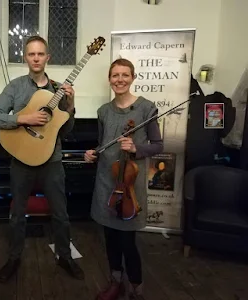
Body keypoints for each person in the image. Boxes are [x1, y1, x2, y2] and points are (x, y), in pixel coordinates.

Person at [0, 35, 84, 283]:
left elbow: (67, 129)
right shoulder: (16, 87)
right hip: (21, 158)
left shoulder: (59, 89)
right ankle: (14, 257)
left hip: (51, 160)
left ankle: (65, 257)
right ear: (25, 57)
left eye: (41, 54)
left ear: (48, 57)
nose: (36, 58)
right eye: (31, 54)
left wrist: (70, 106)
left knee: (60, 213)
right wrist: (23, 119)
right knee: (18, 213)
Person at [84, 58, 163, 300]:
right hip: (106, 181)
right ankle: (115, 282)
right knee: (109, 238)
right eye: (115, 75)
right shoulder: (103, 111)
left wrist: (136, 148)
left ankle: (136, 289)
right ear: (109, 79)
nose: (120, 79)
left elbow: (158, 145)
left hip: (130, 183)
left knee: (128, 241)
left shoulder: (146, 108)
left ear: (133, 77)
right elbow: (103, 143)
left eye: (125, 75)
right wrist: (92, 153)